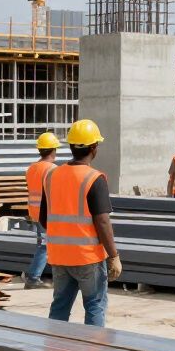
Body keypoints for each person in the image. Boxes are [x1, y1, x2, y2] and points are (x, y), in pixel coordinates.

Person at [39, 119, 122, 326]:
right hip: (87, 258)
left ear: (71, 146)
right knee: (94, 305)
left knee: (60, 306)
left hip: (59, 256)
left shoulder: (51, 175)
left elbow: (43, 218)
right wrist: (113, 256)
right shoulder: (94, 178)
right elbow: (102, 222)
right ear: (94, 148)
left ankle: (54, 345)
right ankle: (93, 347)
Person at [23, 131, 59, 289]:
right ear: (53, 150)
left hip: (35, 212)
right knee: (45, 245)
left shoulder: (31, 168)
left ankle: (35, 276)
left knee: (43, 244)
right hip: (47, 214)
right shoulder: (53, 169)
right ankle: (33, 278)